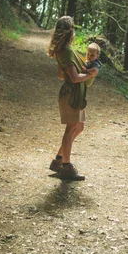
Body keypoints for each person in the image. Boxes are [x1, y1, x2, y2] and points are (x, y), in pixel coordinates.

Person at [47, 16, 97, 181]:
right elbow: (74, 78)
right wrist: (90, 74)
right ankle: (66, 167)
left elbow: (62, 75)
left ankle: (58, 160)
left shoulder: (62, 50)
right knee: (70, 130)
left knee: (79, 127)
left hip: (75, 95)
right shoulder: (66, 51)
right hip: (71, 95)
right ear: (70, 32)